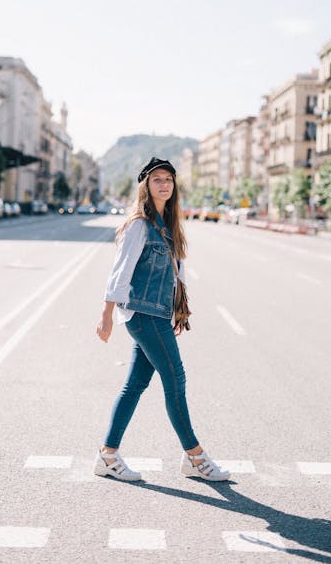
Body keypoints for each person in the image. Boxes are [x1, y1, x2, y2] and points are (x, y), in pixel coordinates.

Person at [95, 157, 230, 483]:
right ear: (146, 185)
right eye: (157, 179)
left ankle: (107, 456)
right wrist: (107, 315)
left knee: (135, 385)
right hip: (142, 314)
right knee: (176, 381)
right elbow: (120, 272)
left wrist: (179, 312)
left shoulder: (169, 226)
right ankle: (195, 456)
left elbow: (176, 274)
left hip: (159, 313)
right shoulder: (139, 224)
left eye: (169, 179)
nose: (164, 184)